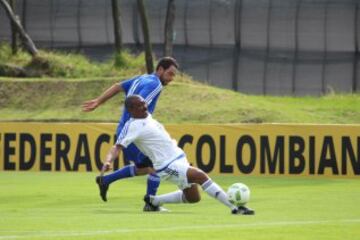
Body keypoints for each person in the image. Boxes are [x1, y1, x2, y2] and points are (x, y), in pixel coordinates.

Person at [96, 95, 255, 215]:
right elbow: (117, 146)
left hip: (179, 158)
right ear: (131, 110)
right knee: (200, 176)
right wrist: (108, 161)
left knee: (193, 197)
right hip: (167, 166)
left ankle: (153, 201)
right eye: (140, 105)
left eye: (144, 103)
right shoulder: (132, 126)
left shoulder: (147, 116)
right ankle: (235, 208)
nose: (145, 106)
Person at [82, 57, 179, 211]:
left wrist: (98, 101)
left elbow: (117, 86)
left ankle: (106, 180)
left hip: (124, 129)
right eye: (170, 74)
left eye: (173, 75)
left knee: (145, 168)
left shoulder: (141, 78)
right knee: (156, 166)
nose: (171, 79)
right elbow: (141, 106)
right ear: (160, 69)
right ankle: (150, 204)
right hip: (135, 132)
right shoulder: (156, 84)